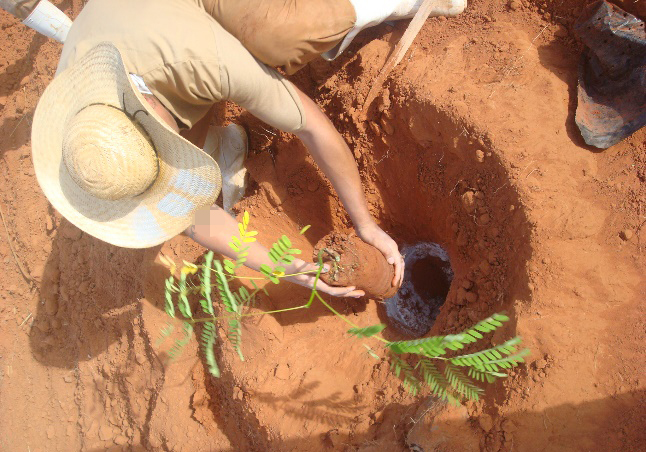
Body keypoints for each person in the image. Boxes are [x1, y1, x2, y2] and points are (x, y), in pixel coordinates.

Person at [29, 0, 465, 298]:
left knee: (284, 39)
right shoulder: (90, 142)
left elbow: (312, 126)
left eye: (170, 149)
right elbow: (187, 215)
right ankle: (224, 146)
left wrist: (365, 224)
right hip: (141, 32)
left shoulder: (202, 64)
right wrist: (285, 269)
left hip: (174, 27)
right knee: (175, 164)